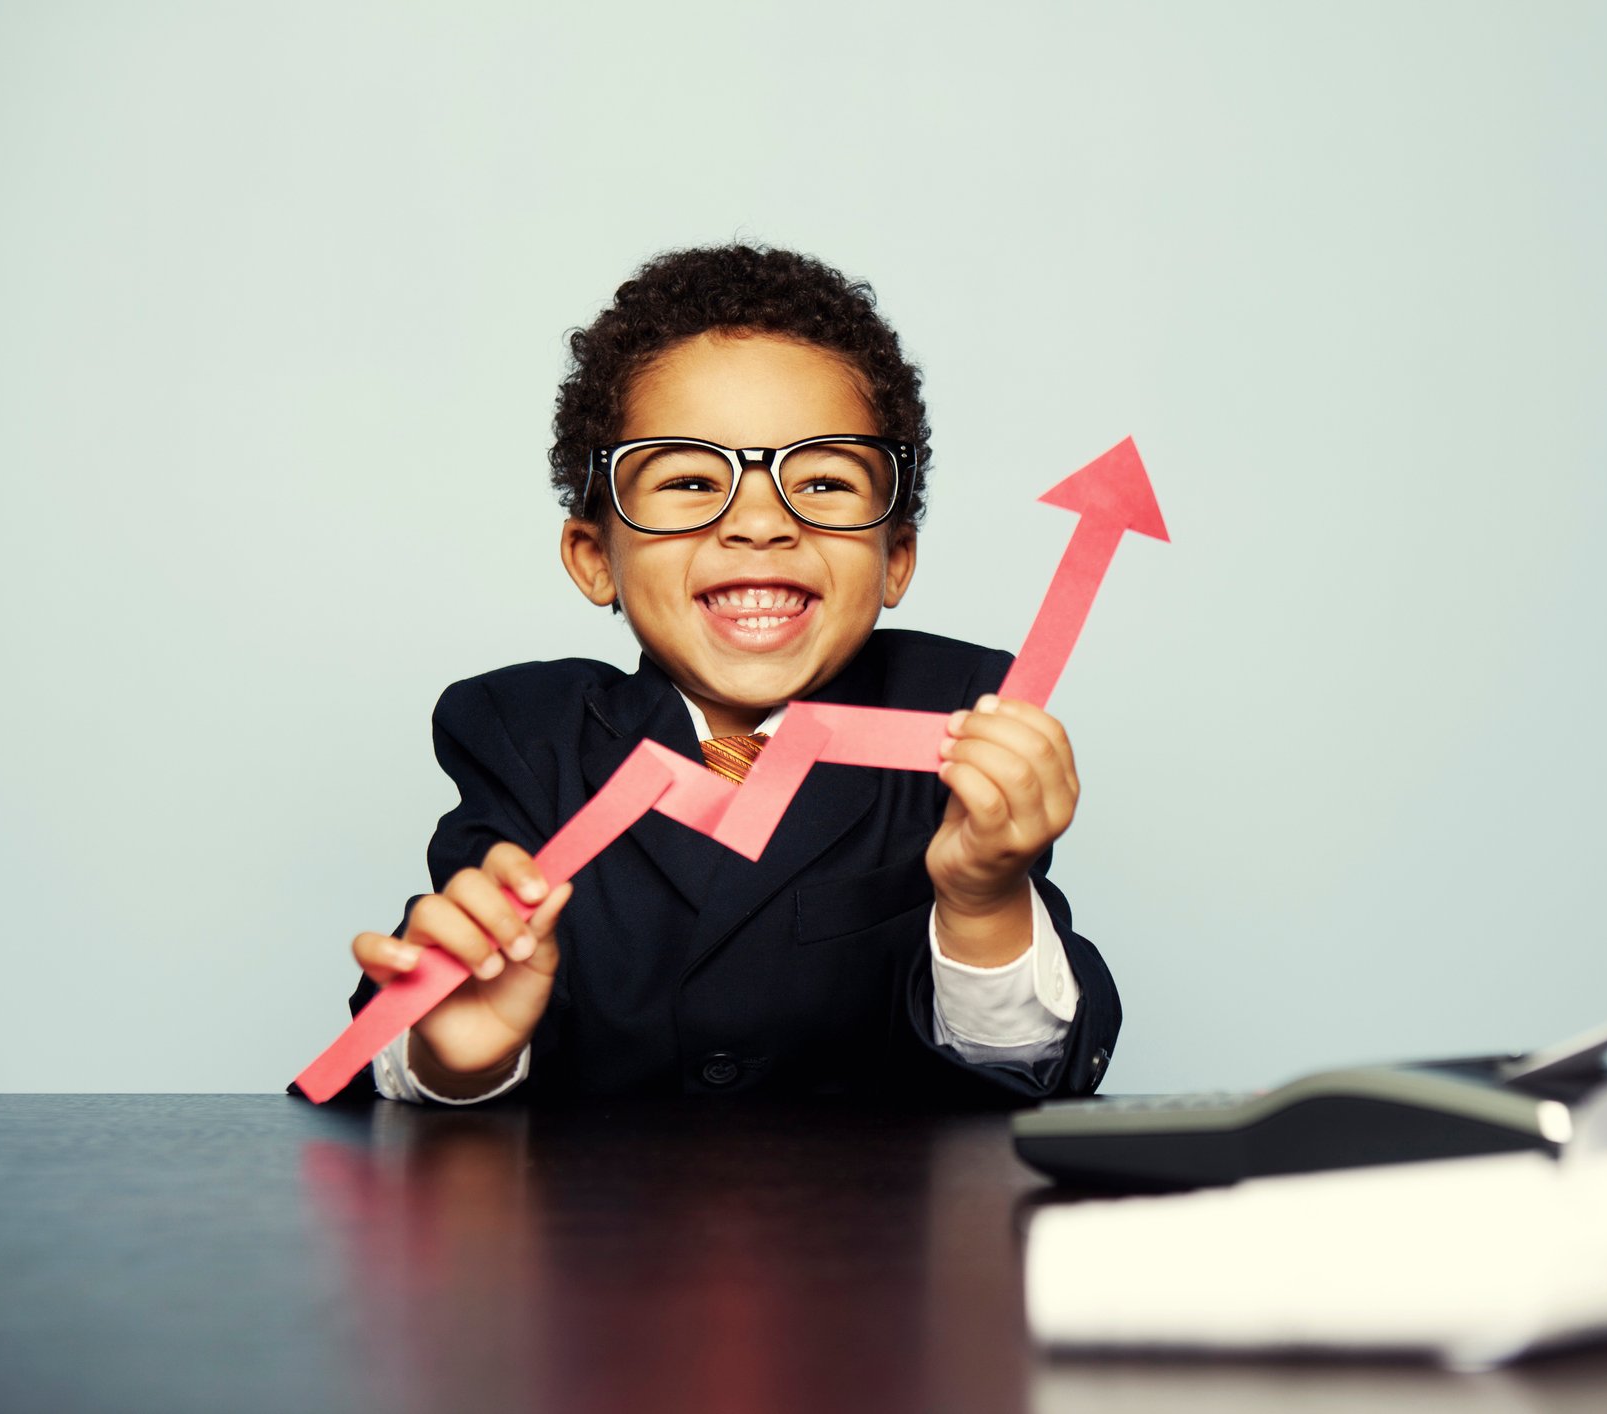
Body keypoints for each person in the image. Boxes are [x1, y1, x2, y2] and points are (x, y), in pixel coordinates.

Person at [344, 244, 1121, 1104]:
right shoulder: (527, 738)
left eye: (824, 480)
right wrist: (459, 1056)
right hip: (595, 1230)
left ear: (894, 556)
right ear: (593, 557)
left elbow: (1032, 1070)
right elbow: (393, 1039)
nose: (758, 522)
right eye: (685, 479)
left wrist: (984, 902)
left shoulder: (960, 725)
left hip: (876, 1232)